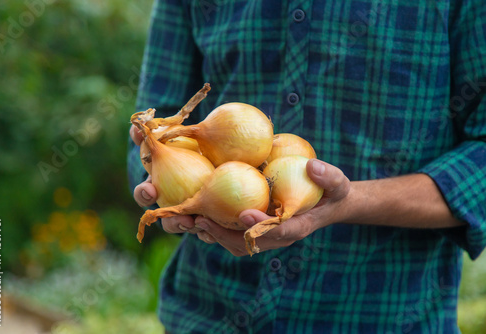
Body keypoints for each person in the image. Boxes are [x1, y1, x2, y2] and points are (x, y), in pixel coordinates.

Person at [128, 1, 486, 333]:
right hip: (205, 316)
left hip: (383, 317)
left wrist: (352, 201)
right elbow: (154, 126)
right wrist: (164, 185)